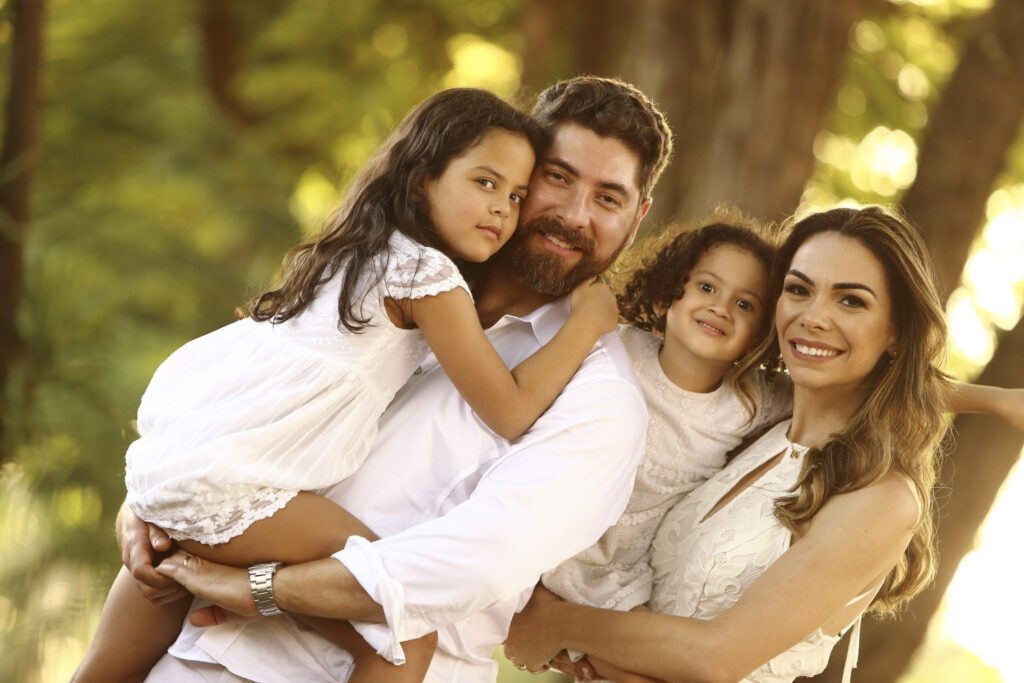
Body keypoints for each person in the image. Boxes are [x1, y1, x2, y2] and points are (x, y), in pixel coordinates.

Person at [108, 75, 674, 682]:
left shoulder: (599, 398)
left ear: (637, 217)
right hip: (192, 656)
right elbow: (249, 418)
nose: (572, 214)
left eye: (608, 198)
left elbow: (474, 564)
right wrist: (151, 509)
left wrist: (264, 586)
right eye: (556, 178)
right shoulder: (385, 291)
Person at [503, 206, 1024, 683]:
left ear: (896, 332)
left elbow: (717, 658)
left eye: (850, 300)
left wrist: (559, 621)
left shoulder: (880, 498)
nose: (813, 316)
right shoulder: (755, 427)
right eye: (799, 290)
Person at [542, 214, 792, 615]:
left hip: (625, 578)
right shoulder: (615, 350)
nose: (720, 308)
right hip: (548, 540)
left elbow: (831, 398)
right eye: (707, 287)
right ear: (665, 295)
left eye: (744, 304)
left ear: (761, 334)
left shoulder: (751, 399)